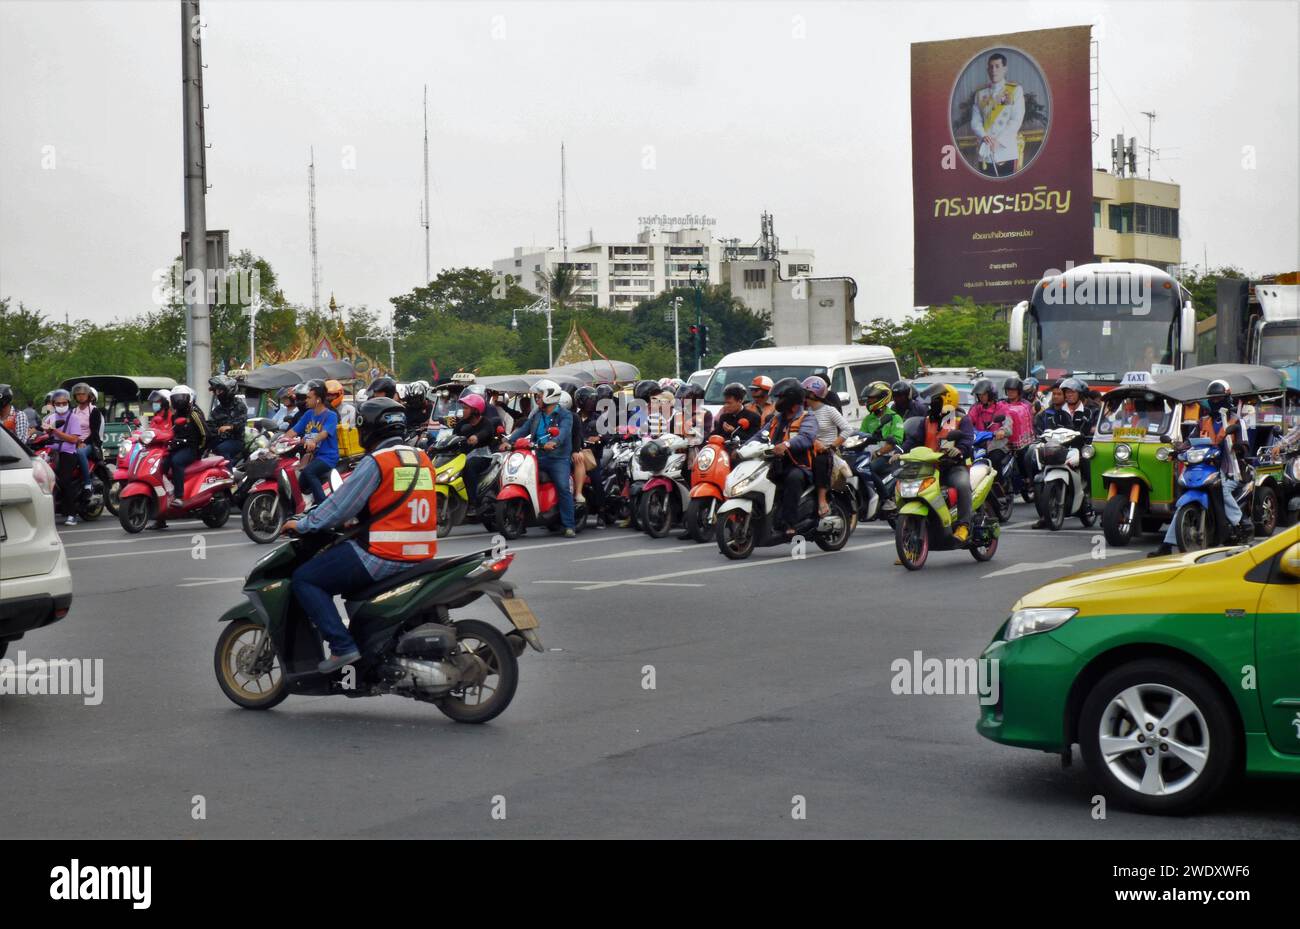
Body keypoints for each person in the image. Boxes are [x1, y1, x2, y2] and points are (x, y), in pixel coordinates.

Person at [284, 397, 440, 673]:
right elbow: (396, 502)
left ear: (369, 428)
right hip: (422, 552)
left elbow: (339, 507)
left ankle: (343, 647)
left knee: (306, 579)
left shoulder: (378, 461)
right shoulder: (423, 458)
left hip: (383, 553)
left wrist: (305, 524)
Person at [1151, 380, 1249, 556]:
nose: (1216, 400)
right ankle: (1166, 545)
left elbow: (1245, 445)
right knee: (1183, 496)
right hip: (1204, 467)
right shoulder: (1202, 421)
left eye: (1219, 397)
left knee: (1224, 490)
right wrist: (1177, 448)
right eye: (1213, 397)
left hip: (1230, 470)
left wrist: (1238, 447)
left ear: (1227, 397)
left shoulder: (1237, 421)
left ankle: (1239, 523)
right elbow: (1189, 441)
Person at [901, 384, 975, 543]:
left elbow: (967, 440)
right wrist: (899, 453)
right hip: (929, 467)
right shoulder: (928, 420)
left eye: (936, 400)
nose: (932, 403)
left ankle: (964, 525)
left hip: (953, 466)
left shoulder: (960, 419)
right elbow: (914, 440)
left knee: (962, 485)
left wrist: (959, 450)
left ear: (947, 400)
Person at [503, 379, 576, 536]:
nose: (537, 399)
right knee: (521, 479)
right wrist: (508, 440)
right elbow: (524, 429)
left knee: (563, 487)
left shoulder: (565, 415)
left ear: (549, 396)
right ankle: (521, 519)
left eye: (539, 396)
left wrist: (554, 442)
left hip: (558, 459)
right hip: (539, 457)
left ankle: (569, 525)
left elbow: (563, 433)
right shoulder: (537, 415)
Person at [765, 379, 819, 537]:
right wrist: (743, 448)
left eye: (781, 398)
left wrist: (786, 445)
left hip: (799, 465)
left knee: (793, 479)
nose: (777, 402)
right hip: (775, 463)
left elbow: (806, 437)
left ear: (791, 399)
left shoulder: (807, 417)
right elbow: (760, 435)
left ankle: (790, 523)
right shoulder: (777, 418)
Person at [152, 385, 207, 529]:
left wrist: (200, 451)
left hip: (191, 449)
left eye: (181, 398)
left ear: (188, 399)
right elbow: (173, 432)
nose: (178, 401)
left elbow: (205, 434)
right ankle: (162, 509)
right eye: (175, 398)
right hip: (177, 448)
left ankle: (179, 496)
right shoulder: (176, 415)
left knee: (176, 462)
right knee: (160, 465)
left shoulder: (194, 414)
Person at [801, 376, 853, 518]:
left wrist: (832, 446)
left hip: (826, 453)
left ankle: (822, 499)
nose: (803, 397)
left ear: (814, 394)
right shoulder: (803, 412)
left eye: (806, 394)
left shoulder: (829, 410)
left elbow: (847, 429)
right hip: (806, 450)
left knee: (820, 461)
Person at [969, 51, 1025, 177]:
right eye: (991, 67)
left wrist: (998, 142)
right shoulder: (980, 95)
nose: (993, 70)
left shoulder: (1015, 90)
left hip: (1006, 151)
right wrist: (984, 137)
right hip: (985, 152)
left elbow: (1016, 120)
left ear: (1005, 69)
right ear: (987, 69)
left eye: (997, 66)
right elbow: (975, 122)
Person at [285, 380, 340, 505]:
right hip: (312, 457)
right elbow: (293, 431)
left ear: (318, 400)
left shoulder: (331, 415)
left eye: (309, 398)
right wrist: (277, 443)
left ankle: (322, 505)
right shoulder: (308, 414)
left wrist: (313, 441)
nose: (306, 400)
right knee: (300, 481)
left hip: (327, 457)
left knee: (309, 472)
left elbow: (324, 433)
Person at [42, 389, 88, 525]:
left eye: (64, 403)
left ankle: (72, 514)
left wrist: (55, 431)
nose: (61, 405)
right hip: (52, 452)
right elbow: (45, 433)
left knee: (65, 480)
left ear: (68, 402)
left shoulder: (73, 418)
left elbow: (74, 439)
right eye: (58, 403)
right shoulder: (50, 417)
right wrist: (44, 431)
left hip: (68, 453)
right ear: (53, 404)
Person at [859, 381, 906, 511]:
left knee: (868, 469)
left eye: (871, 398)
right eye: (868, 398)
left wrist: (879, 453)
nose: (868, 401)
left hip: (888, 457)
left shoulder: (894, 418)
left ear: (882, 399)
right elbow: (861, 436)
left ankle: (886, 499)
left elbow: (896, 440)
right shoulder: (868, 419)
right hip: (870, 455)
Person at [570, 386, 603, 511]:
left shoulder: (599, 418)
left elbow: (606, 436)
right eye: (589, 400)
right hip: (575, 454)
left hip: (593, 457)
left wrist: (598, 439)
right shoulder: (573, 417)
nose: (592, 402)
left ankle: (601, 511)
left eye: (594, 399)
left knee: (596, 479)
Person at [207, 374, 246, 463]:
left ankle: (229, 474)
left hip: (236, 440)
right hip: (220, 439)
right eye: (215, 391)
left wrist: (230, 427)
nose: (217, 394)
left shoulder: (239, 406)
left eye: (219, 391)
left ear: (228, 390)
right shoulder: (217, 410)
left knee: (222, 449)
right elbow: (210, 424)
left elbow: (241, 423)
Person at [326, 379, 363, 459]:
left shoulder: (348, 409)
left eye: (332, 395)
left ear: (339, 394)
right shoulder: (323, 409)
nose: (329, 398)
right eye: (327, 395)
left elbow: (346, 428)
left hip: (344, 447)